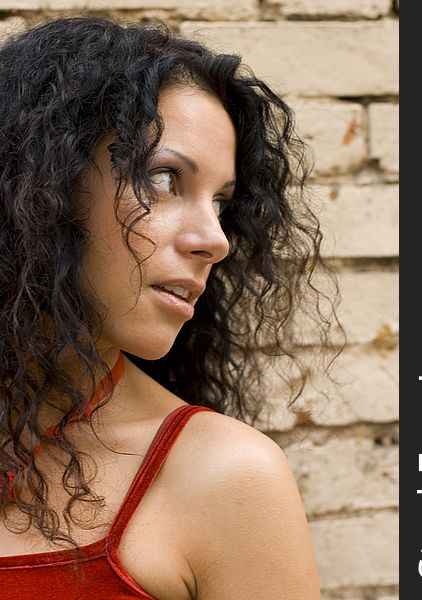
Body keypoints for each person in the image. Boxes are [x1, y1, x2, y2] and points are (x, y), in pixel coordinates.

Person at [0, 15, 338, 599]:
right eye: (163, 179)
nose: (216, 239)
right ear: (44, 185)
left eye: (223, 203)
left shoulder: (226, 477)